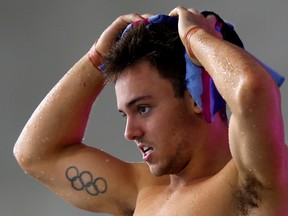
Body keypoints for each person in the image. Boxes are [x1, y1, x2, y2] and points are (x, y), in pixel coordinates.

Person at [14, 6, 288, 215]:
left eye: (143, 108)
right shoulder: (140, 190)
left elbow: (253, 90)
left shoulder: (251, 181)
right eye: (125, 114)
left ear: (196, 98)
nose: (129, 133)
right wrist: (96, 59)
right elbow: (35, 154)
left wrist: (195, 37)